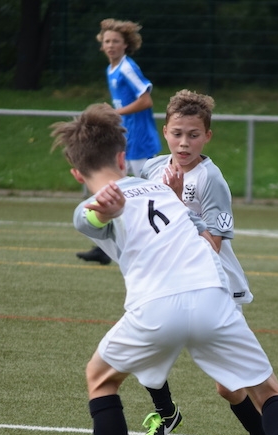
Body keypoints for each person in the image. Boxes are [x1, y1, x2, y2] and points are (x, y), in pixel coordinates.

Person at [50, 103, 278, 435]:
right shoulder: (162, 188)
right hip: (212, 297)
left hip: (156, 306)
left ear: (76, 174)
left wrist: (101, 210)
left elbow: (91, 216)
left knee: (100, 380)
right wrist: (158, 201)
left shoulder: (94, 202)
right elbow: (181, 230)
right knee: (268, 391)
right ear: (123, 158)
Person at [130, 89, 275, 435]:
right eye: (177, 134)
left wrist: (176, 205)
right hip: (168, 281)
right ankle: (166, 413)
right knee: (141, 342)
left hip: (212, 284)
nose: (184, 143)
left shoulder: (211, 180)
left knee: (229, 387)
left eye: (193, 135)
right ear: (165, 131)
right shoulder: (152, 168)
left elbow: (213, 244)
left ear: (207, 136)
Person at [76, 18, 161, 267]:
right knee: (117, 189)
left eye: (115, 41)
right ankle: (106, 248)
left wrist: (115, 113)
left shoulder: (127, 68)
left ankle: (162, 239)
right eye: (107, 41)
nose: (111, 45)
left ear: (126, 45)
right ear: (101, 45)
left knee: (150, 192)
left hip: (141, 140)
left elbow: (146, 100)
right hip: (126, 140)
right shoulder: (111, 69)